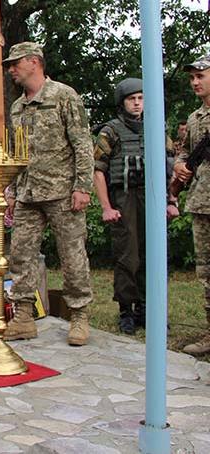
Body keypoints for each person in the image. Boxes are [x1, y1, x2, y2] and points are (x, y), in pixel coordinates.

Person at [2, 42, 94, 346]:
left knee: (72, 255)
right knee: (20, 254)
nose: (12, 69)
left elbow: (82, 144)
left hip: (62, 192)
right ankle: (24, 316)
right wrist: (12, 191)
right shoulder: (18, 106)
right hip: (28, 193)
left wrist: (83, 186)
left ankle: (79, 315)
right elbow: (16, 154)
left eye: (16, 63)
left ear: (34, 61)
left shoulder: (64, 96)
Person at [93, 78, 179, 335]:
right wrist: (107, 207)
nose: (137, 103)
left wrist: (171, 201)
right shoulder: (111, 131)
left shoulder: (156, 128)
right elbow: (98, 171)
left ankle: (148, 308)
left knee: (154, 254)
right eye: (132, 99)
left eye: (141, 98)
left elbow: (169, 166)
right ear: (123, 102)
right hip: (124, 197)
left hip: (152, 196)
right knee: (127, 255)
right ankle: (126, 310)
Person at [174, 53, 210, 354]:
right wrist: (180, 166)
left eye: (200, 76)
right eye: (192, 78)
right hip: (201, 203)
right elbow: (184, 152)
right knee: (207, 273)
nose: (194, 82)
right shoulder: (196, 118)